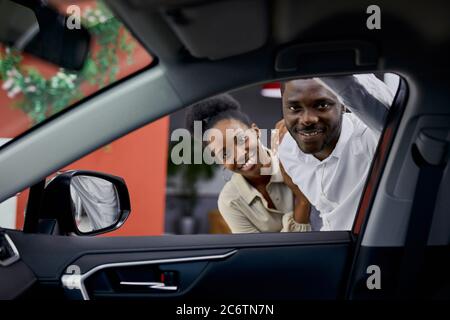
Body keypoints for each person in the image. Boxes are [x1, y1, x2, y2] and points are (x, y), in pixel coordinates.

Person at [278, 74, 394, 231]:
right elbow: (326, 212)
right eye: (294, 108)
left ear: (344, 105)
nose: (307, 119)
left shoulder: (371, 137)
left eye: (322, 105)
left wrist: (333, 63)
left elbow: (388, 111)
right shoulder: (288, 150)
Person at [185, 94, 316, 233]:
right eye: (225, 154)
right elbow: (260, 253)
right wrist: (302, 200)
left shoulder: (295, 159)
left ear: (256, 131)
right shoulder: (230, 201)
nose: (240, 155)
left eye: (241, 140)